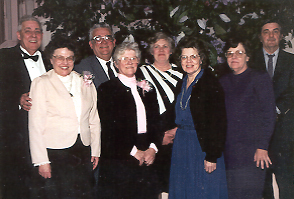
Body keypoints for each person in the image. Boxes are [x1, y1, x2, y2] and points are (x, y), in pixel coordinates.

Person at [28, 38, 101, 199]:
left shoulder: (85, 81)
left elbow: (93, 119)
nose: (64, 62)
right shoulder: (41, 83)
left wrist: (95, 150)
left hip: (82, 150)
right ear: (51, 59)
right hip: (56, 153)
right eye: (59, 57)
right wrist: (41, 161)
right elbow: (35, 125)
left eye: (69, 57)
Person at [97, 42, 160, 199]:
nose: (130, 62)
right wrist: (133, 152)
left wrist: (153, 148)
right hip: (120, 155)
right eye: (124, 58)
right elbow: (108, 128)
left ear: (138, 61)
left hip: (147, 150)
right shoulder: (107, 89)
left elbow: (156, 121)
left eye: (133, 58)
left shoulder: (147, 87)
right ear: (116, 63)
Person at [169, 36, 228, 199]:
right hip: (182, 145)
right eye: (184, 57)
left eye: (193, 56)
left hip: (202, 147)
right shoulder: (181, 83)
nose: (189, 61)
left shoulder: (210, 83)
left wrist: (212, 155)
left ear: (201, 59)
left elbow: (219, 122)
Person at [220, 38, 276, 199]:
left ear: (248, 56)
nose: (234, 56)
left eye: (239, 52)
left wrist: (262, 146)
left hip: (253, 154)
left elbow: (269, 115)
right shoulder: (222, 82)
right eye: (230, 53)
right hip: (230, 154)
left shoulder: (259, 78)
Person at [0, 15, 48, 198]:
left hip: (46, 139)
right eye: (28, 30)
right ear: (19, 35)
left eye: (37, 31)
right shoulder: (4, 57)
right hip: (16, 142)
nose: (33, 35)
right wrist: (16, 100)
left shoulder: (52, 61)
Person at [249, 21, 294, 199]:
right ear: (260, 37)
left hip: (284, 136)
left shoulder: (293, 62)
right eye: (266, 32)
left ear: (281, 35)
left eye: (275, 31)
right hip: (259, 137)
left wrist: (273, 111)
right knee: (263, 187)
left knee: (286, 186)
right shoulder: (250, 62)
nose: (270, 35)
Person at [136, 32, 183, 195]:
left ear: (171, 50)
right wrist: (157, 136)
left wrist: (178, 131)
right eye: (156, 46)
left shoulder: (183, 74)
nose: (161, 50)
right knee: (154, 187)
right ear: (151, 51)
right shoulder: (141, 73)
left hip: (178, 137)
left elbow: (191, 108)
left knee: (176, 185)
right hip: (152, 139)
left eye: (165, 46)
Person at [75, 23, 117, 89]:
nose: (104, 42)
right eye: (98, 39)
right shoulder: (82, 68)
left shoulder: (123, 63)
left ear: (114, 42)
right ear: (91, 44)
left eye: (107, 38)